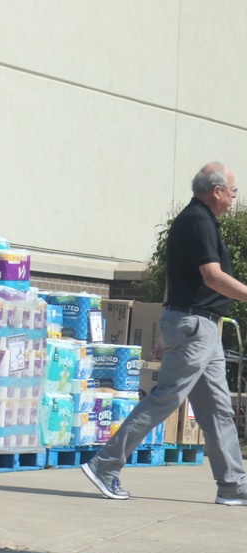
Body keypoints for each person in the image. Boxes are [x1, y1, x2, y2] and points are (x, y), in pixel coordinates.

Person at [82, 162, 247, 505]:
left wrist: (166, 324)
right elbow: (211, 276)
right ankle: (105, 464)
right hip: (196, 326)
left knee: (217, 408)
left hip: (197, 326)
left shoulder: (190, 220)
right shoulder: (199, 221)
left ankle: (232, 485)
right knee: (166, 398)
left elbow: (176, 279)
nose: (234, 198)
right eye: (232, 191)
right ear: (216, 191)